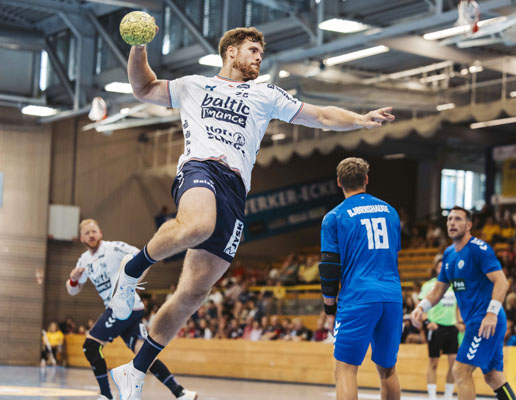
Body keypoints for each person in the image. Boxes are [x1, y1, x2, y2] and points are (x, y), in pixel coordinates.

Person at [109, 25, 395, 399]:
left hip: (235, 190)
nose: (259, 57)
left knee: (193, 294)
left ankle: (135, 369)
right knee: (197, 224)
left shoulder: (266, 94)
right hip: (202, 167)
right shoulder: (194, 85)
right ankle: (130, 273)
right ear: (230, 52)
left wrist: (358, 119)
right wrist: (138, 47)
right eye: (253, 50)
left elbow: (321, 116)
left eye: (261, 51)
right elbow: (143, 88)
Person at [68, 219, 196, 400]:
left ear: (100, 232)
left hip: (124, 306)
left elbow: (141, 257)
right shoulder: (83, 260)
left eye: (94, 231)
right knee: (143, 352)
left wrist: (131, 285)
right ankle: (180, 392)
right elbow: (73, 290)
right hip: (123, 311)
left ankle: (105, 395)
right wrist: (73, 279)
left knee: (91, 346)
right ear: (81, 238)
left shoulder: (113, 248)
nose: (91, 235)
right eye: (87, 233)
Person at [411, 207, 516, 400]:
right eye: (449, 219)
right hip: (477, 323)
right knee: (493, 376)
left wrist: (491, 314)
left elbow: (502, 282)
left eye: (458, 219)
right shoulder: (449, 254)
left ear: (469, 225)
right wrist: (421, 307)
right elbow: (438, 290)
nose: (452, 223)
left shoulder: (479, 250)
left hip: (485, 321)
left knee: (460, 370)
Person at [319, 157, 402, 400]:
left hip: (358, 297)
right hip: (392, 296)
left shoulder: (335, 217)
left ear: (338, 182)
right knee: (388, 370)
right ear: (366, 180)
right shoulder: (391, 212)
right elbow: (392, 255)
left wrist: (329, 307)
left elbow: (329, 267)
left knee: (345, 369)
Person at [418, 255, 460, 400]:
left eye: (444, 266)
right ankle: (432, 396)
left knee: (454, 363)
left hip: (451, 327)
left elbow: (458, 306)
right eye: (439, 266)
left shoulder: (454, 285)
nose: (442, 268)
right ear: (435, 268)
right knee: (433, 362)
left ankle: (448, 396)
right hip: (436, 328)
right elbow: (420, 307)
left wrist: (459, 321)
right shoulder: (429, 285)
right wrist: (427, 323)